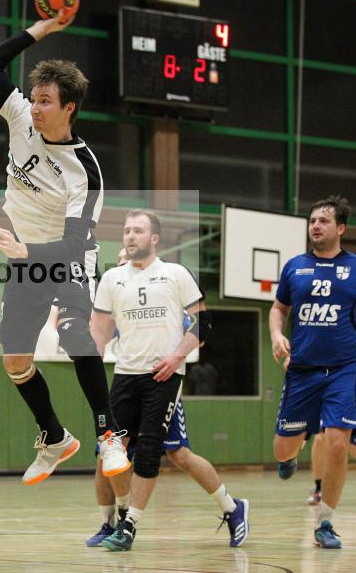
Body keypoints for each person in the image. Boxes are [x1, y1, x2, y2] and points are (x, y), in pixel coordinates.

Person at [0, 10, 129, 485]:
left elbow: (69, 246)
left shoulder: (85, 173)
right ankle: (56, 437)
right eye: (35, 99)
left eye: (46, 102)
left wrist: (25, 255)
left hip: (66, 259)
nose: (36, 108)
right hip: (26, 256)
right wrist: (41, 30)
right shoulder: (21, 119)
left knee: (74, 335)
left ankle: (109, 435)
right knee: (15, 361)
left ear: (69, 109)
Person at [89, 210, 248, 551]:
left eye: (138, 230)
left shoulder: (175, 274)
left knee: (160, 452)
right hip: (125, 375)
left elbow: (202, 326)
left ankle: (129, 526)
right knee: (110, 452)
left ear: (154, 238)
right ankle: (112, 520)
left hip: (163, 375)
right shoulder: (112, 280)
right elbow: (100, 330)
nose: (130, 235)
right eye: (127, 230)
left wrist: (176, 357)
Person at [270, 195, 356, 549]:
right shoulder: (294, 267)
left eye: (324, 221)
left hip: (344, 370)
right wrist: (276, 334)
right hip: (301, 370)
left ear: (341, 228)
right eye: (313, 220)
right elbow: (278, 308)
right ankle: (291, 454)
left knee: (337, 444)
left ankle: (325, 523)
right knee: (282, 450)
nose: (315, 225)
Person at [305, 321, 356, 505]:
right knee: (319, 439)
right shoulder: (330, 327)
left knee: (355, 450)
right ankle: (319, 489)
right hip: (331, 395)